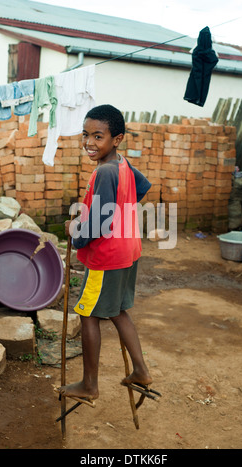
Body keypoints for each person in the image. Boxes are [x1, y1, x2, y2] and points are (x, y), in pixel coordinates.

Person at [59, 104, 152, 402]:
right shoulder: (122, 165)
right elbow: (142, 186)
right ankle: (140, 370)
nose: (89, 142)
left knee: (87, 314)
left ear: (117, 139)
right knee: (117, 311)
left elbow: (99, 222)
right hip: (128, 250)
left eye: (98, 136)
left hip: (106, 258)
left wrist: (76, 231)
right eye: (86, 135)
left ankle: (89, 385)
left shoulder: (105, 173)